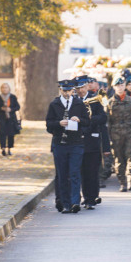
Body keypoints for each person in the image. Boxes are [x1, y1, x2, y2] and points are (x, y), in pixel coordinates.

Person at [46, 79, 90, 214]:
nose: (66, 93)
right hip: (60, 143)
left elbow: (87, 122)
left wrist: (79, 120)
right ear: (60, 90)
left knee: (75, 173)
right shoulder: (54, 104)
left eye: (69, 90)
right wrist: (59, 123)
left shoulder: (78, 103)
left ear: (73, 91)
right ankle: (65, 204)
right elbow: (48, 125)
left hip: (76, 143)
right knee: (63, 174)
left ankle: (75, 202)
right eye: (64, 90)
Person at [77, 76, 107, 210]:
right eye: (78, 88)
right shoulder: (73, 100)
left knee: (92, 171)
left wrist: (88, 119)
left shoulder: (95, 100)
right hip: (77, 140)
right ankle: (85, 196)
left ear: (87, 87)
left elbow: (102, 118)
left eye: (82, 87)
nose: (80, 91)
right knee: (81, 171)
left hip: (92, 140)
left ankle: (92, 198)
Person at [106, 78, 131, 192]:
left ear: (124, 86)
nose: (120, 87)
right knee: (119, 159)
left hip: (130, 133)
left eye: (121, 85)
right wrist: (108, 137)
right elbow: (107, 121)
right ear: (114, 87)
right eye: (117, 86)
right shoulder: (110, 103)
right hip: (116, 134)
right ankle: (122, 183)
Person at [0, 83, 20, 156]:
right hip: (2, 119)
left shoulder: (13, 97)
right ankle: (3, 149)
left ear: (9, 89)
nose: (5, 89)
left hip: (11, 119)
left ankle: (9, 148)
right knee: (2, 134)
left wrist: (10, 109)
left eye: (6, 87)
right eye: (3, 88)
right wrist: (1, 109)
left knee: (11, 134)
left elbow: (17, 107)